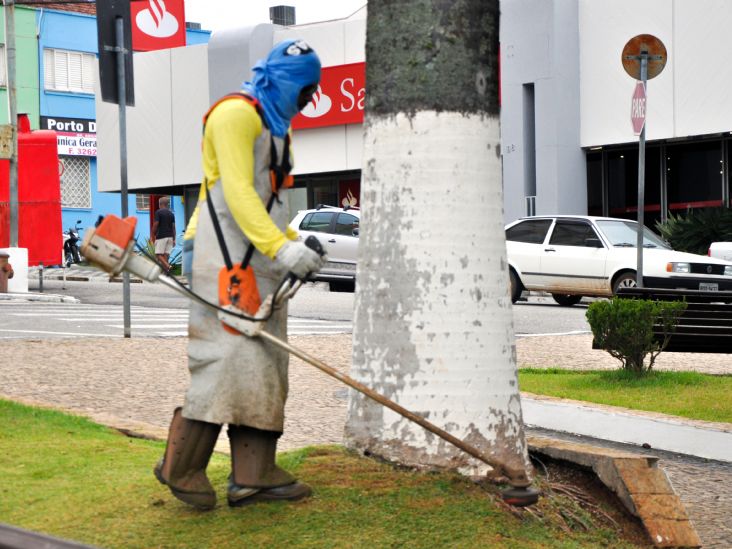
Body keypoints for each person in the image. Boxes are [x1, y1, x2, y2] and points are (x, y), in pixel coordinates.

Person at [154, 39, 326, 510]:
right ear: (285, 80)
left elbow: (267, 202)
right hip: (225, 257)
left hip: (261, 259)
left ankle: (255, 473)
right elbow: (234, 193)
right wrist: (280, 248)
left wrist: (296, 242)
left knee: (265, 365)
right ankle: (180, 466)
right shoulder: (235, 115)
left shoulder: (277, 129)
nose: (310, 99)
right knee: (224, 362)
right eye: (307, 88)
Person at [151, 196, 176, 273]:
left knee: (158, 254)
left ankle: (168, 266)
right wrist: (174, 239)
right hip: (170, 237)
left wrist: (153, 235)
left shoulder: (158, 212)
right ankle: (166, 272)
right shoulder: (171, 214)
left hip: (161, 236)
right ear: (167, 204)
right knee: (165, 255)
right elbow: (173, 228)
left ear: (160, 204)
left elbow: (156, 224)